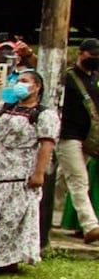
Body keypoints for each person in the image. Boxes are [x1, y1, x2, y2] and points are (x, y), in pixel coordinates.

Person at [0, 70, 59, 271]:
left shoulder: (44, 114)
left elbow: (46, 143)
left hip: (21, 172)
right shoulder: (5, 107)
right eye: (18, 81)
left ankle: (6, 259)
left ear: (36, 87)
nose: (20, 84)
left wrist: (39, 172)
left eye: (25, 81)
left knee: (12, 216)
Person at [55, 38, 99, 243]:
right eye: (93, 54)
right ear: (81, 53)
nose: (96, 58)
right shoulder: (67, 78)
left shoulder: (94, 79)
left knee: (63, 180)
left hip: (87, 138)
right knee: (79, 179)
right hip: (68, 136)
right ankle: (90, 225)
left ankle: (46, 215)